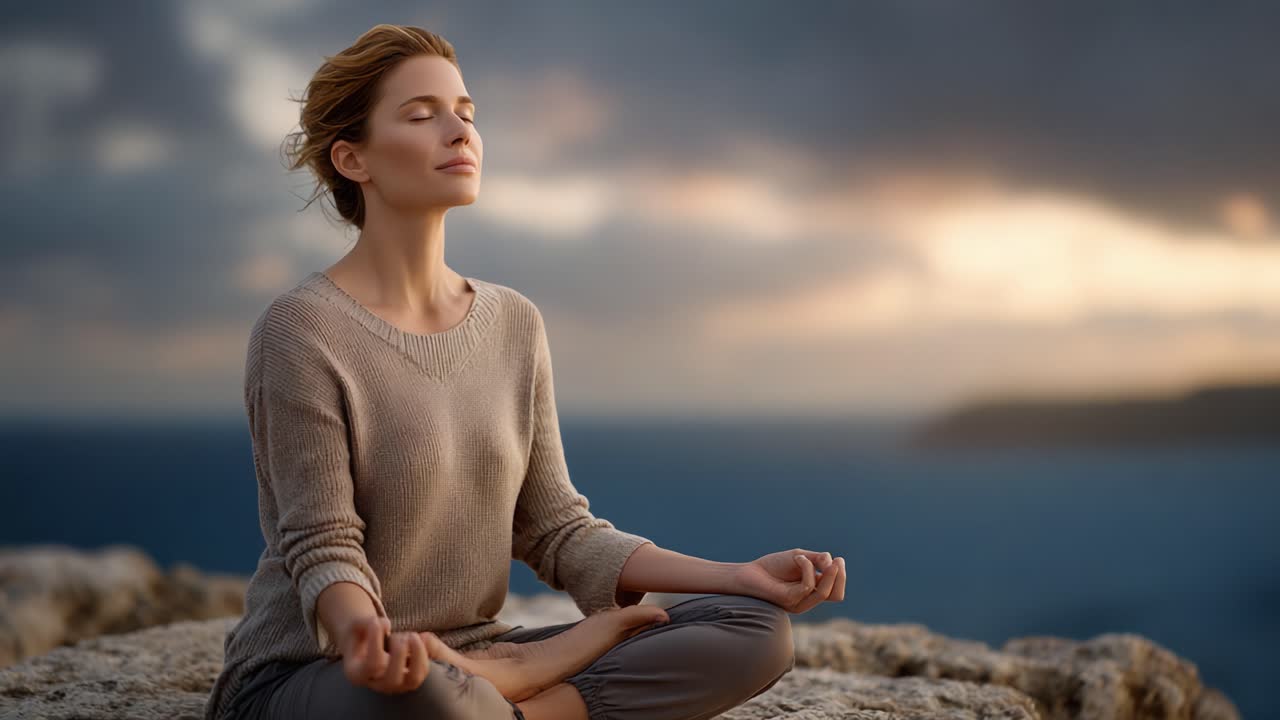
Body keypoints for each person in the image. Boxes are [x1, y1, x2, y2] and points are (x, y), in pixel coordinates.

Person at [204, 23, 845, 720]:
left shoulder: (513, 322)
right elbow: (322, 544)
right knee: (423, 694)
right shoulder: (301, 329)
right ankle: (508, 684)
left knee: (752, 629)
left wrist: (738, 575)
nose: (459, 131)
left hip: (475, 662)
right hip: (323, 674)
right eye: (423, 116)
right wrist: (370, 640)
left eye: (466, 114)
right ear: (353, 159)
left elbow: (557, 528)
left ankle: (513, 700)